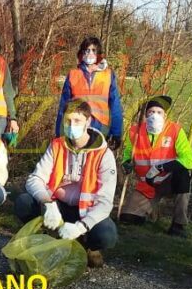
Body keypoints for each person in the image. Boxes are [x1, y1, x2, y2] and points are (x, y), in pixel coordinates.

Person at [14, 100, 118, 267]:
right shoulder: (57, 146)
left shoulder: (104, 155)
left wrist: (82, 226)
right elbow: (35, 179)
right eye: (68, 121)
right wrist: (48, 203)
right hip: (57, 207)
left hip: (85, 211)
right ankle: (44, 237)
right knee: (24, 202)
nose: (72, 125)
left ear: (88, 121)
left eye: (77, 121)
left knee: (106, 234)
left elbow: (105, 202)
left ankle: (88, 245)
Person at [118, 96, 192, 237]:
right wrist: (126, 162)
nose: (155, 115)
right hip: (147, 185)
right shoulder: (135, 132)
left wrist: (164, 167)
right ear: (146, 115)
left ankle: (179, 224)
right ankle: (149, 212)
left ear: (165, 115)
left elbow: (189, 160)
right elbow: (128, 152)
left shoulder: (175, 130)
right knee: (128, 219)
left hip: (169, 180)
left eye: (159, 112)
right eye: (151, 112)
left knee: (184, 174)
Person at [55, 37, 123, 150]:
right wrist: (59, 133)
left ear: (99, 53)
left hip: (101, 128)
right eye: (87, 50)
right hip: (77, 126)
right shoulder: (73, 74)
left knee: (95, 164)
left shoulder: (108, 75)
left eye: (93, 50)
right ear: (81, 54)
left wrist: (116, 132)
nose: (90, 53)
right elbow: (63, 106)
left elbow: (115, 105)